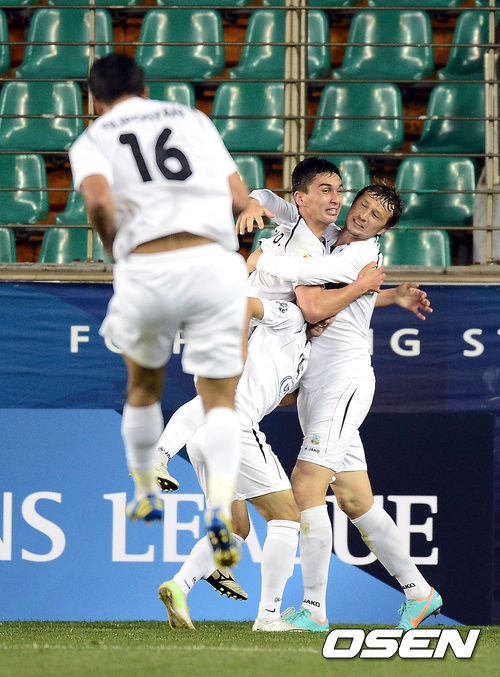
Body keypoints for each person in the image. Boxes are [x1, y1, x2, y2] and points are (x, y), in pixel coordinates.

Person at [68, 53, 251, 567]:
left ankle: (146, 486)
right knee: (219, 399)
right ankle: (220, 506)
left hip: (147, 267)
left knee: (143, 386)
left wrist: (115, 245)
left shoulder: (92, 138)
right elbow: (239, 196)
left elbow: (99, 202)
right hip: (213, 262)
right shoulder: (193, 119)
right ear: (145, 88)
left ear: (93, 99)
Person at [242, 179, 442, 632]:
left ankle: (313, 609)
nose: (364, 216)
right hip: (317, 383)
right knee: (355, 499)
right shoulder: (333, 238)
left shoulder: (360, 254)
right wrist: (256, 199)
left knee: (304, 488)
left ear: (382, 230)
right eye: (363, 206)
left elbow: (313, 302)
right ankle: (420, 593)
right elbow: (286, 209)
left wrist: (261, 258)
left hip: (341, 382)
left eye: (376, 216)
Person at [155, 270, 383, 631]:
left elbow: (279, 395)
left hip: (206, 438)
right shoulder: (289, 316)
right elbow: (245, 304)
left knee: (237, 527)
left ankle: (179, 586)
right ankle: (268, 617)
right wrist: (240, 353)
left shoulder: (302, 353)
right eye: (324, 309)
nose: (328, 319)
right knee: (287, 515)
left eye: (333, 315)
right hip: (233, 429)